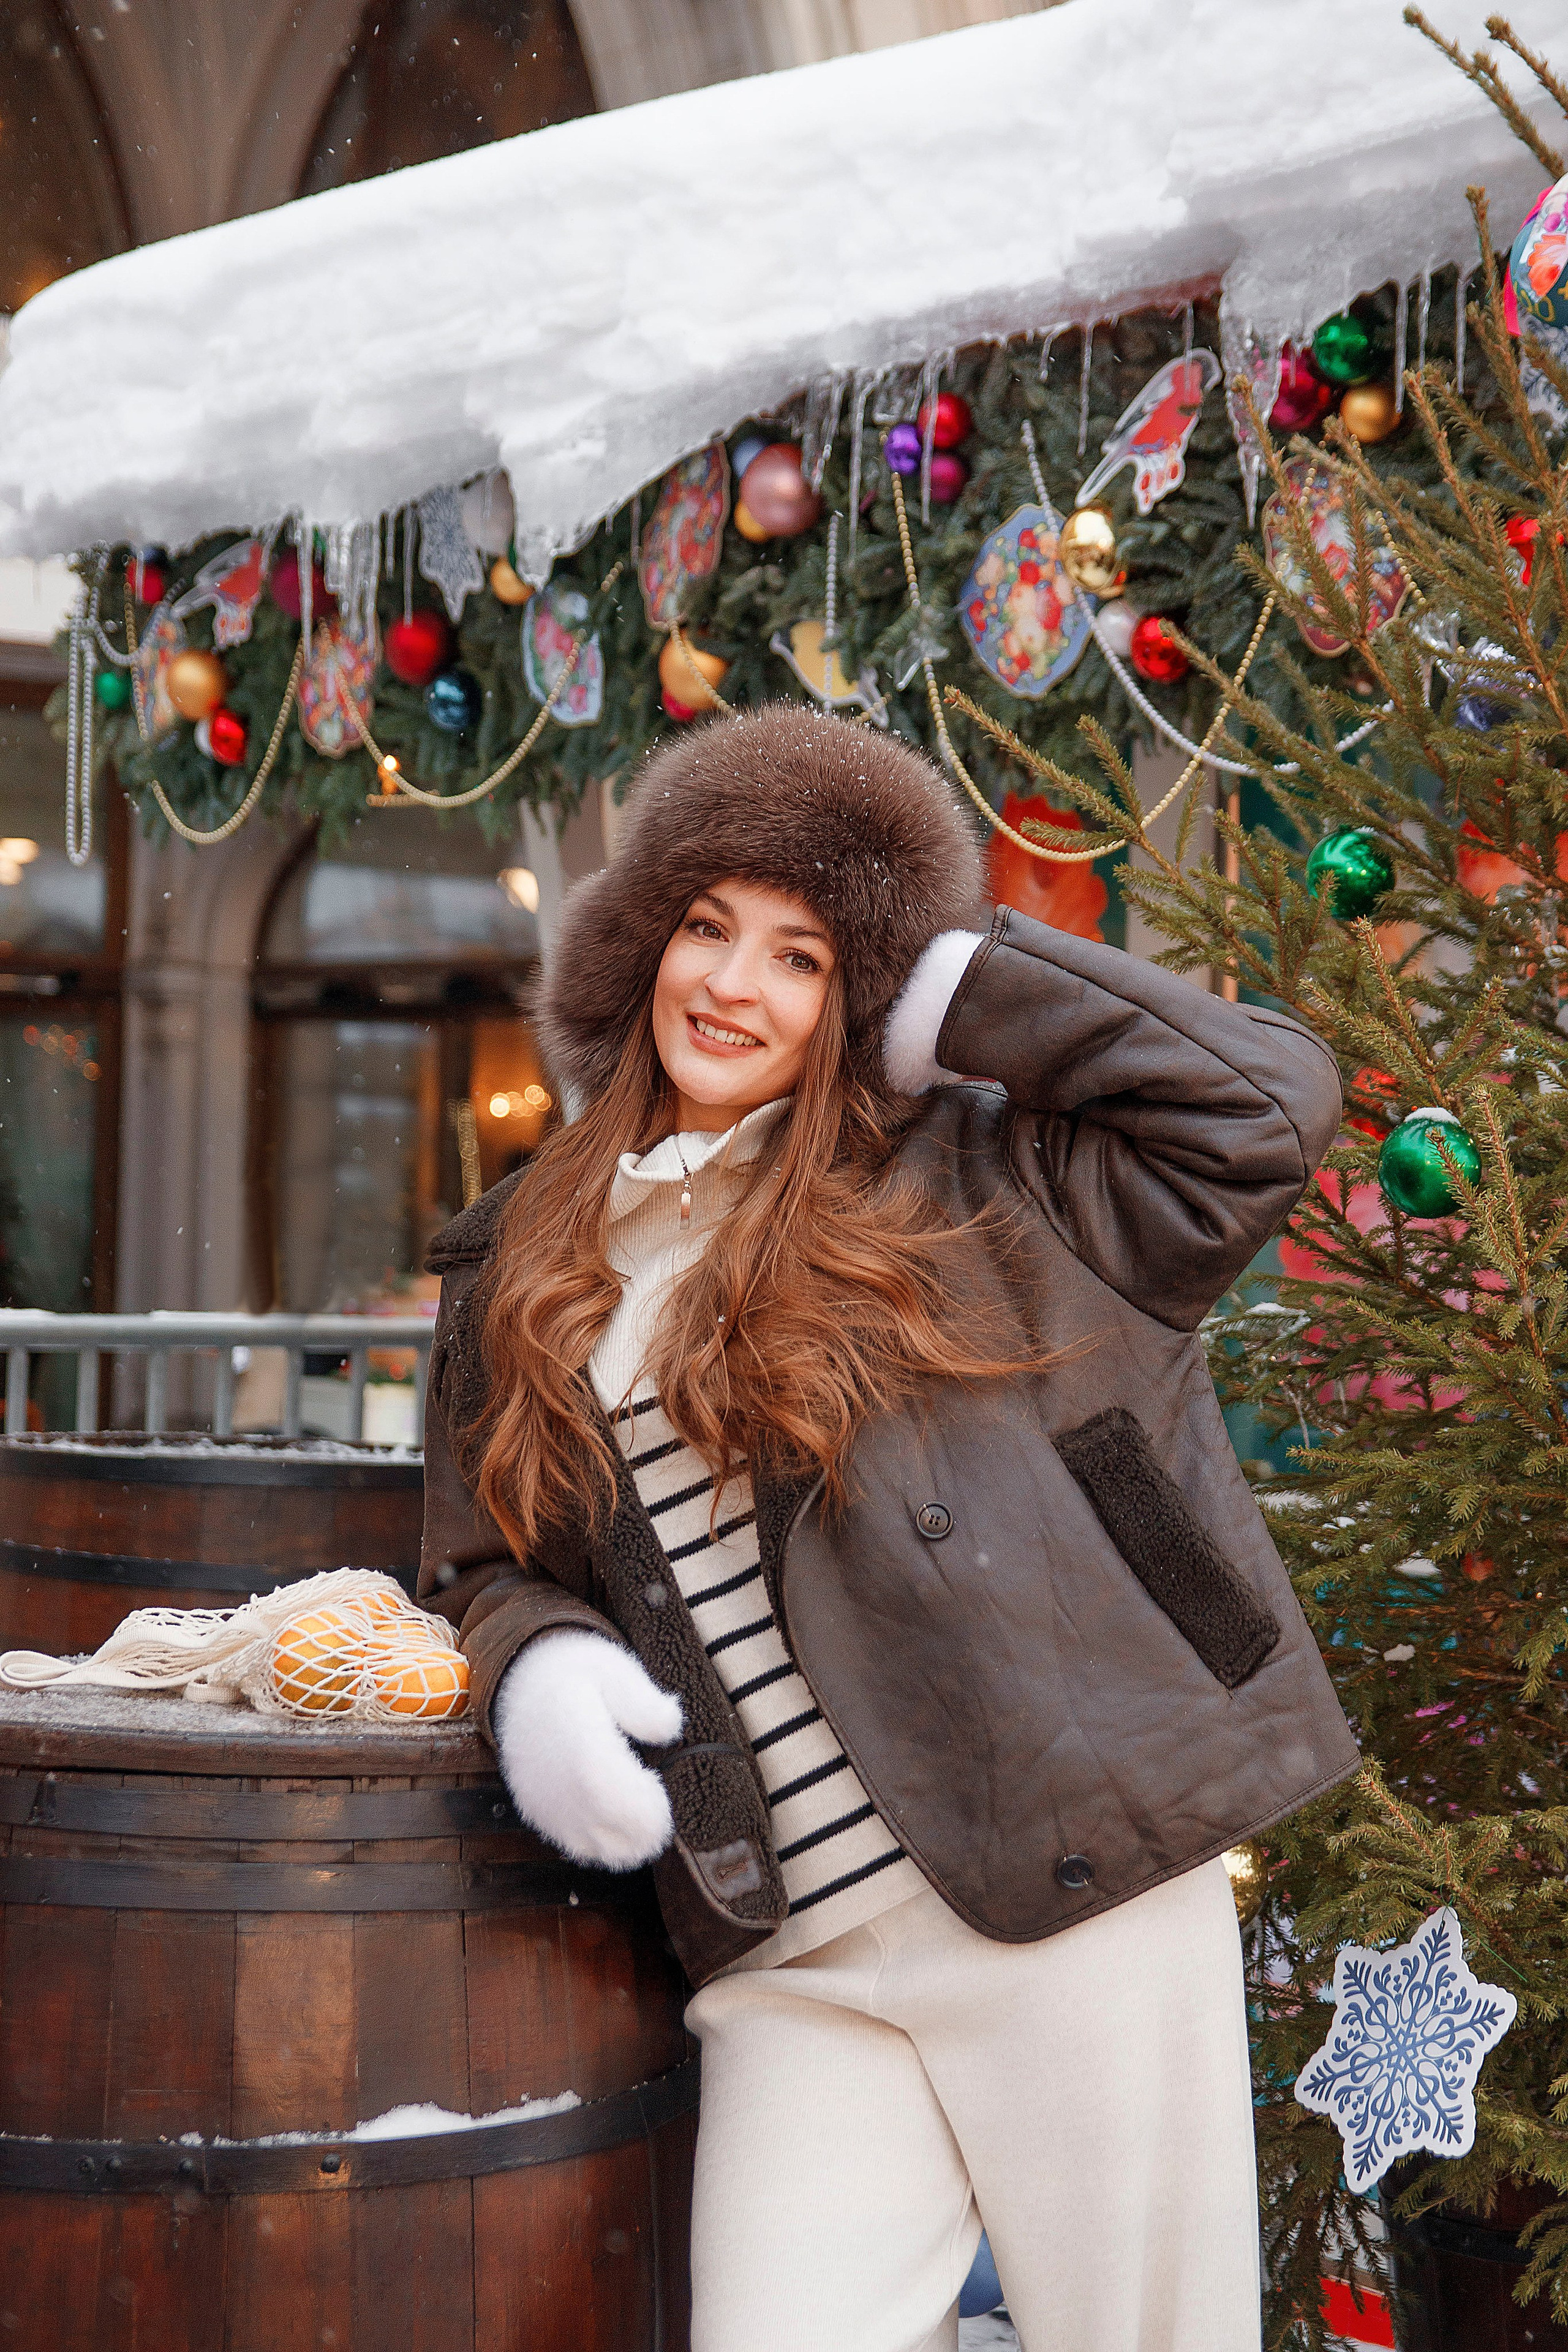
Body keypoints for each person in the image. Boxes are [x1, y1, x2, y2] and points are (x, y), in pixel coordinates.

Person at [418, 704, 1357, 2352]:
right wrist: (540, 1665)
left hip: (1075, 1882)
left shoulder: (986, 1180)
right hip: (786, 1945)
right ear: (642, 944)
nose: (732, 986)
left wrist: (964, 983)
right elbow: (483, 1560)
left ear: (858, 992)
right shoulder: (526, 1251)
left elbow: (1268, 1112)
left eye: (800, 955)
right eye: (706, 927)